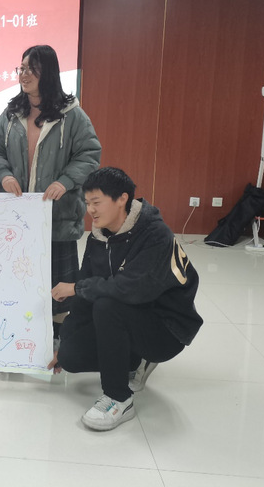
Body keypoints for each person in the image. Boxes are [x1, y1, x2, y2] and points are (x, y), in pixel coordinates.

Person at [48, 167, 203, 431]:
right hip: (128, 315)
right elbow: (85, 292)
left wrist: (76, 287)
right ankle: (131, 360)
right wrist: (64, 344)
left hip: (166, 329)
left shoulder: (155, 234)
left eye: (96, 202)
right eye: (87, 203)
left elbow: (131, 289)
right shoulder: (99, 236)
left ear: (122, 199)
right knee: (71, 357)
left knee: (108, 303)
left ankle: (119, 397)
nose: (90, 210)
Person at [0, 44, 101, 323]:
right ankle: (19, 330)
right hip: (15, 217)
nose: (23, 75)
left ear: (47, 72)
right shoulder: (11, 113)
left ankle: (57, 336)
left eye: (31, 69)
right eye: (21, 68)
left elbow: (89, 154)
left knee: (58, 288)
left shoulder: (71, 114)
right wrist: (4, 175)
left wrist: (65, 181)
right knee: (16, 280)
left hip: (56, 217)